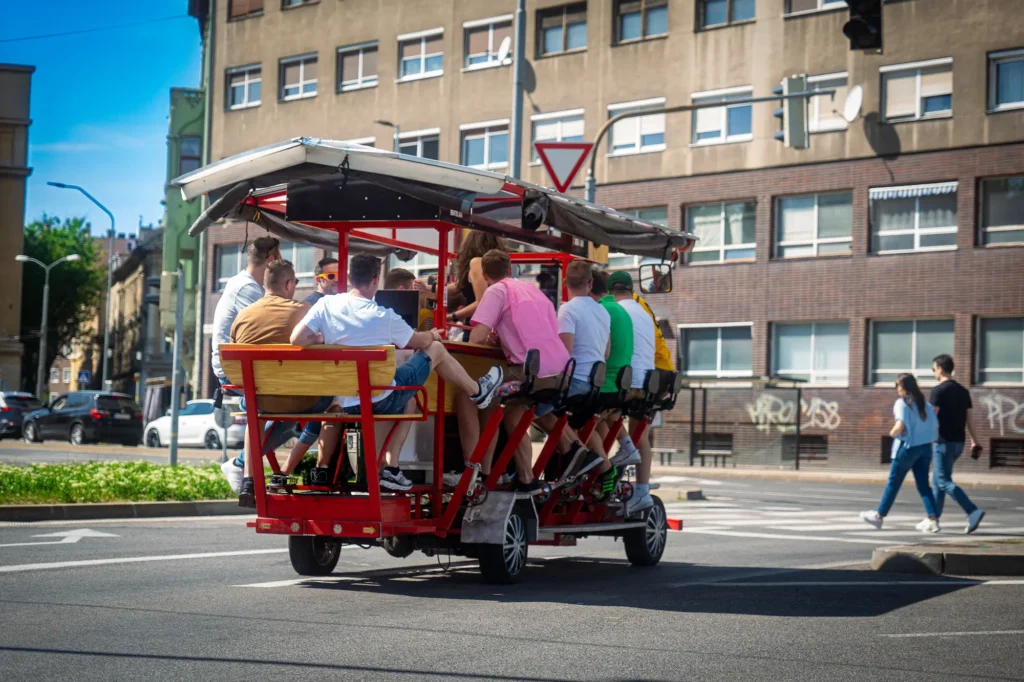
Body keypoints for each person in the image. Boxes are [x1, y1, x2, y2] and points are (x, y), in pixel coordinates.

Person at [290, 254, 504, 492]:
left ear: (350, 278)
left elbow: (296, 338)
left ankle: (391, 470)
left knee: (409, 401)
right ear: (375, 279)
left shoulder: (325, 305)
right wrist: (432, 334)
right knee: (435, 349)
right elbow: (420, 341)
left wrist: (323, 339)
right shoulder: (384, 315)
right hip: (381, 397)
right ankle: (478, 391)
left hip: (346, 400)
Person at [468, 250, 595, 493]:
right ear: (511, 270)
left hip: (530, 373)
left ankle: (481, 474)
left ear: (484, 276)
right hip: (559, 371)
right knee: (514, 415)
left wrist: (490, 338)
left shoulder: (496, 290)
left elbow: (476, 337)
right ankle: (528, 477)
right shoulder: (533, 290)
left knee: (476, 395)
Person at [228, 259, 333, 506]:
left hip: (261, 400)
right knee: (338, 404)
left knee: (253, 411)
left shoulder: (243, 317)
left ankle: (248, 481)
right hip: (304, 401)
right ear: (288, 284)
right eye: (294, 282)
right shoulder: (304, 313)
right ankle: (323, 469)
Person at [213, 236, 281, 493]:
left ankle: (243, 464)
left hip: (241, 366)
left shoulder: (243, 284)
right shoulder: (249, 290)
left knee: (293, 414)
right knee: (296, 411)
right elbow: (271, 328)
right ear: (272, 261)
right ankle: (240, 464)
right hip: (236, 371)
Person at [538, 260, 611, 479]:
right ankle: (579, 457)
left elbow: (564, 352)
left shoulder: (568, 309)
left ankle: (577, 451)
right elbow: (605, 353)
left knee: (530, 407)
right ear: (590, 283)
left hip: (574, 383)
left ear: (565, 282)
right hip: (594, 385)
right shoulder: (603, 312)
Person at [860, 374, 941, 533]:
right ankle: (933, 520)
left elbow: (900, 425)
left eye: (897, 385)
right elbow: (933, 423)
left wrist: (891, 433)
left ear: (902, 387)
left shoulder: (902, 403)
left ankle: (878, 517)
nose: (896, 389)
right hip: (925, 448)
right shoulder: (923, 404)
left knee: (893, 483)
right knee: (924, 485)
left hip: (907, 448)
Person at [607, 270, 657, 515]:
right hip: (648, 384)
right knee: (642, 436)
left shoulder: (613, 311)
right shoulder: (644, 312)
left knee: (596, 415)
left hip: (624, 383)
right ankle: (642, 493)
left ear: (609, 291)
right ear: (631, 289)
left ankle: (622, 449)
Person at [591, 269, 641, 493]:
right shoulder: (622, 311)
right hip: (622, 383)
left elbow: (602, 350)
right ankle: (624, 449)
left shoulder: (601, 310)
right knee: (602, 418)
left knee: (574, 422)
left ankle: (603, 467)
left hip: (607, 383)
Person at [930, 354, 985, 534]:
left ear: (939, 368)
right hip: (958, 444)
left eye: (933, 369)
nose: (933, 372)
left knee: (943, 480)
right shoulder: (963, 392)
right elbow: (970, 420)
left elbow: (931, 420)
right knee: (937, 479)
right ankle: (934, 520)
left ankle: (972, 510)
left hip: (942, 443)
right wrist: (975, 441)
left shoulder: (937, 391)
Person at [447, 231, 505, 333]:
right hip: (494, 327)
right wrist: (430, 288)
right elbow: (461, 285)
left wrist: (453, 316)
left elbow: (482, 302)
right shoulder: (497, 265)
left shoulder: (477, 262)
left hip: (477, 327)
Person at [383, 266, 433, 331]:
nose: (418, 295)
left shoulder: (377, 316)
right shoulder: (423, 314)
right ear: (402, 290)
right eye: (414, 290)